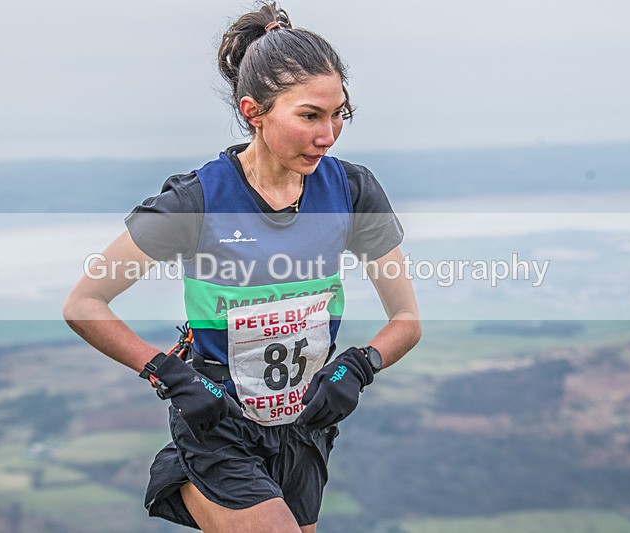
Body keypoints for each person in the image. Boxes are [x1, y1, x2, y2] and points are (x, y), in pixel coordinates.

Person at [63, 2, 420, 531]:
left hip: (303, 423)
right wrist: (166, 372)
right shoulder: (198, 200)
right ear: (254, 111)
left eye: (339, 113)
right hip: (219, 421)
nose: (329, 134)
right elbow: (84, 304)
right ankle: (185, 474)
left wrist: (361, 365)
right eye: (309, 116)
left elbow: (407, 321)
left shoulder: (352, 190)